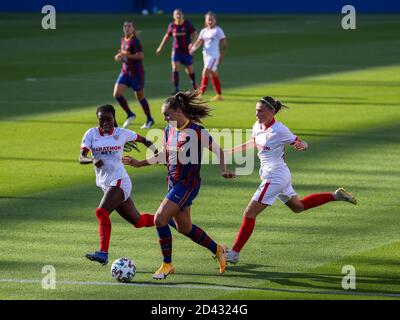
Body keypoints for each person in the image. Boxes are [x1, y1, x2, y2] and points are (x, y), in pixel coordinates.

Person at [224, 96, 358, 265]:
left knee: (249, 213)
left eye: (260, 110)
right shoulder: (256, 126)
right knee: (298, 207)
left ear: (271, 112)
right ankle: (335, 196)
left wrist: (302, 145)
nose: (257, 113)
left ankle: (234, 253)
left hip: (276, 177)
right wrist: (231, 151)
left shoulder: (280, 130)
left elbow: (300, 142)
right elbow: (254, 142)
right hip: (276, 175)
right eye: (256, 110)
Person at [122, 90, 236, 280]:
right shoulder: (170, 130)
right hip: (173, 183)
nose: (165, 118)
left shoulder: (197, 131)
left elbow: (219, 150)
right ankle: (217, 249)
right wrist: (139, 163)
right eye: (163, 115)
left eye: (167, 114)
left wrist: (223, 170)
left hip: (187, 185)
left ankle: (167, 264)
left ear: (178, 111)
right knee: (184, 227)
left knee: (160, 219)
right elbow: (165, 155)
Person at [79, 104, 158, 265]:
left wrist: (157, 153)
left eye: (108, 119)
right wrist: (92, 159)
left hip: (120, 181)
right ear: (97, 120)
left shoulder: (122, 133)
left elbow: (145, 140)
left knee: (102, 212)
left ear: (114, 119)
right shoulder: (91, 134)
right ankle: (165, 218)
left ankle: (103, 252)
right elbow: (81, 157)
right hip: (106, 185)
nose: (105, 123)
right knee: (138, 222)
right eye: (101, 120)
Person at [113, 20, 155, 129]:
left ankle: (149, 119)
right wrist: (120, 55)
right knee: (117, 94)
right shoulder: (123, 40)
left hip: (136, 74)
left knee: (140, 96)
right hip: (125, 72)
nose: (126, 28)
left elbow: (140, 55)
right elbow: (125, 54)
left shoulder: (135, 41)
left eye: (129, 26)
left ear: (133, 28)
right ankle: (130, 114)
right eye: (125, 26)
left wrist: (125, 55)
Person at [156, 9, 198, 94]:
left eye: (180, 14)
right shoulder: (172, 25)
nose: (178, 16)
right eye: (176, 14)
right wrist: (160, 47)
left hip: (187, 51)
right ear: (173, 16)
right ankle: (176, 88)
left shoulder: (187, 24)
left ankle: (194, 84)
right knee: (175, 67)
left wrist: (192, 44)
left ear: (183, 15)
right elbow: (167, 36)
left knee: (189, 70)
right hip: (176, 51)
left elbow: (195, 34)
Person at [189, 11, 227, 101]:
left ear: (215, 20)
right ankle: (219, 94)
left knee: (205, 71)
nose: (210, 21)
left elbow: (224, 43)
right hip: (206, 55)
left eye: (212, 19)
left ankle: (200, 93)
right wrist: (192, 49)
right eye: (208, 20)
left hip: (214, 56)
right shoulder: (204, 31)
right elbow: (199, 41)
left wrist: (222, 55)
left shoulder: (218, 30)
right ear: (206, 21)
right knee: (213, 74)